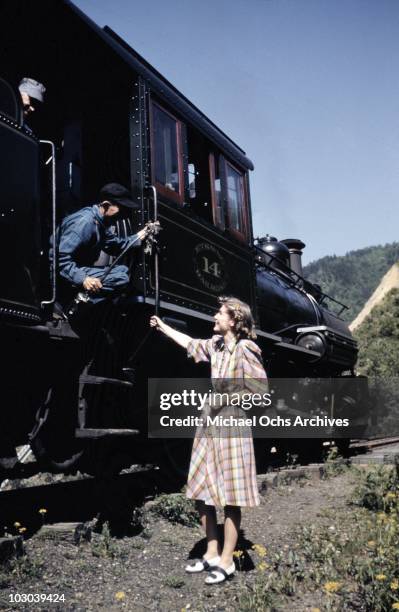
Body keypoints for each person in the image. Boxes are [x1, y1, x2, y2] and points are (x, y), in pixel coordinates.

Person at [150, 296, 267, 585]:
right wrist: (163, 327)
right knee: (202, 489)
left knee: (231, 495)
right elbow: (190, 343)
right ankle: (212, 552)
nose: (215, 316)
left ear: (234, 321)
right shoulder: (215, 347)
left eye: (220, 313)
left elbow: (260, 392)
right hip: (209, 423)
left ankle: (227, 561)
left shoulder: (246, 349)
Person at [53, 182, 150, 307]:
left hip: (75, 268)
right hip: (61, 274)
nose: (123, 215)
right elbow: (58, 259)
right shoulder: (85, 223)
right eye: (121, 208)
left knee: (122, 271)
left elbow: (115, 246)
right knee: (121, 278)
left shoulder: (102, 223)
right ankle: (78, 304)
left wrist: (139, 236)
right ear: (106, 205)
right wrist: (83, 279)